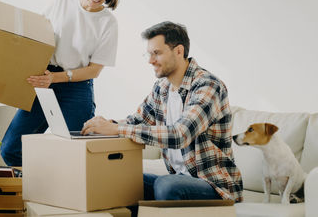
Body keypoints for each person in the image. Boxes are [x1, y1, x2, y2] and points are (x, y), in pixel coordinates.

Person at [81, 21, 243, 202]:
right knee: (121, 180)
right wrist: (107, 125)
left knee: (167, 185)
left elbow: (179, 135)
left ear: (179, 51)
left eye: (156, 53)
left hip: (215, 185)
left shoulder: (207, 85)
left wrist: (117, 130)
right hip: (178, 180)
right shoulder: (162, 88)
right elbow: (137, 120)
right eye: (149, 54)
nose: (150, 61)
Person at [1, 0, 120, 166]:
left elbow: (94, 70)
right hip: (44, 79)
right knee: (11, 148)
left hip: (76, 87)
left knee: (74, 153)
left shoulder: (108, 23)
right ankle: (42, 182)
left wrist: (55, 79)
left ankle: (60, 187)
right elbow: (34, 30)